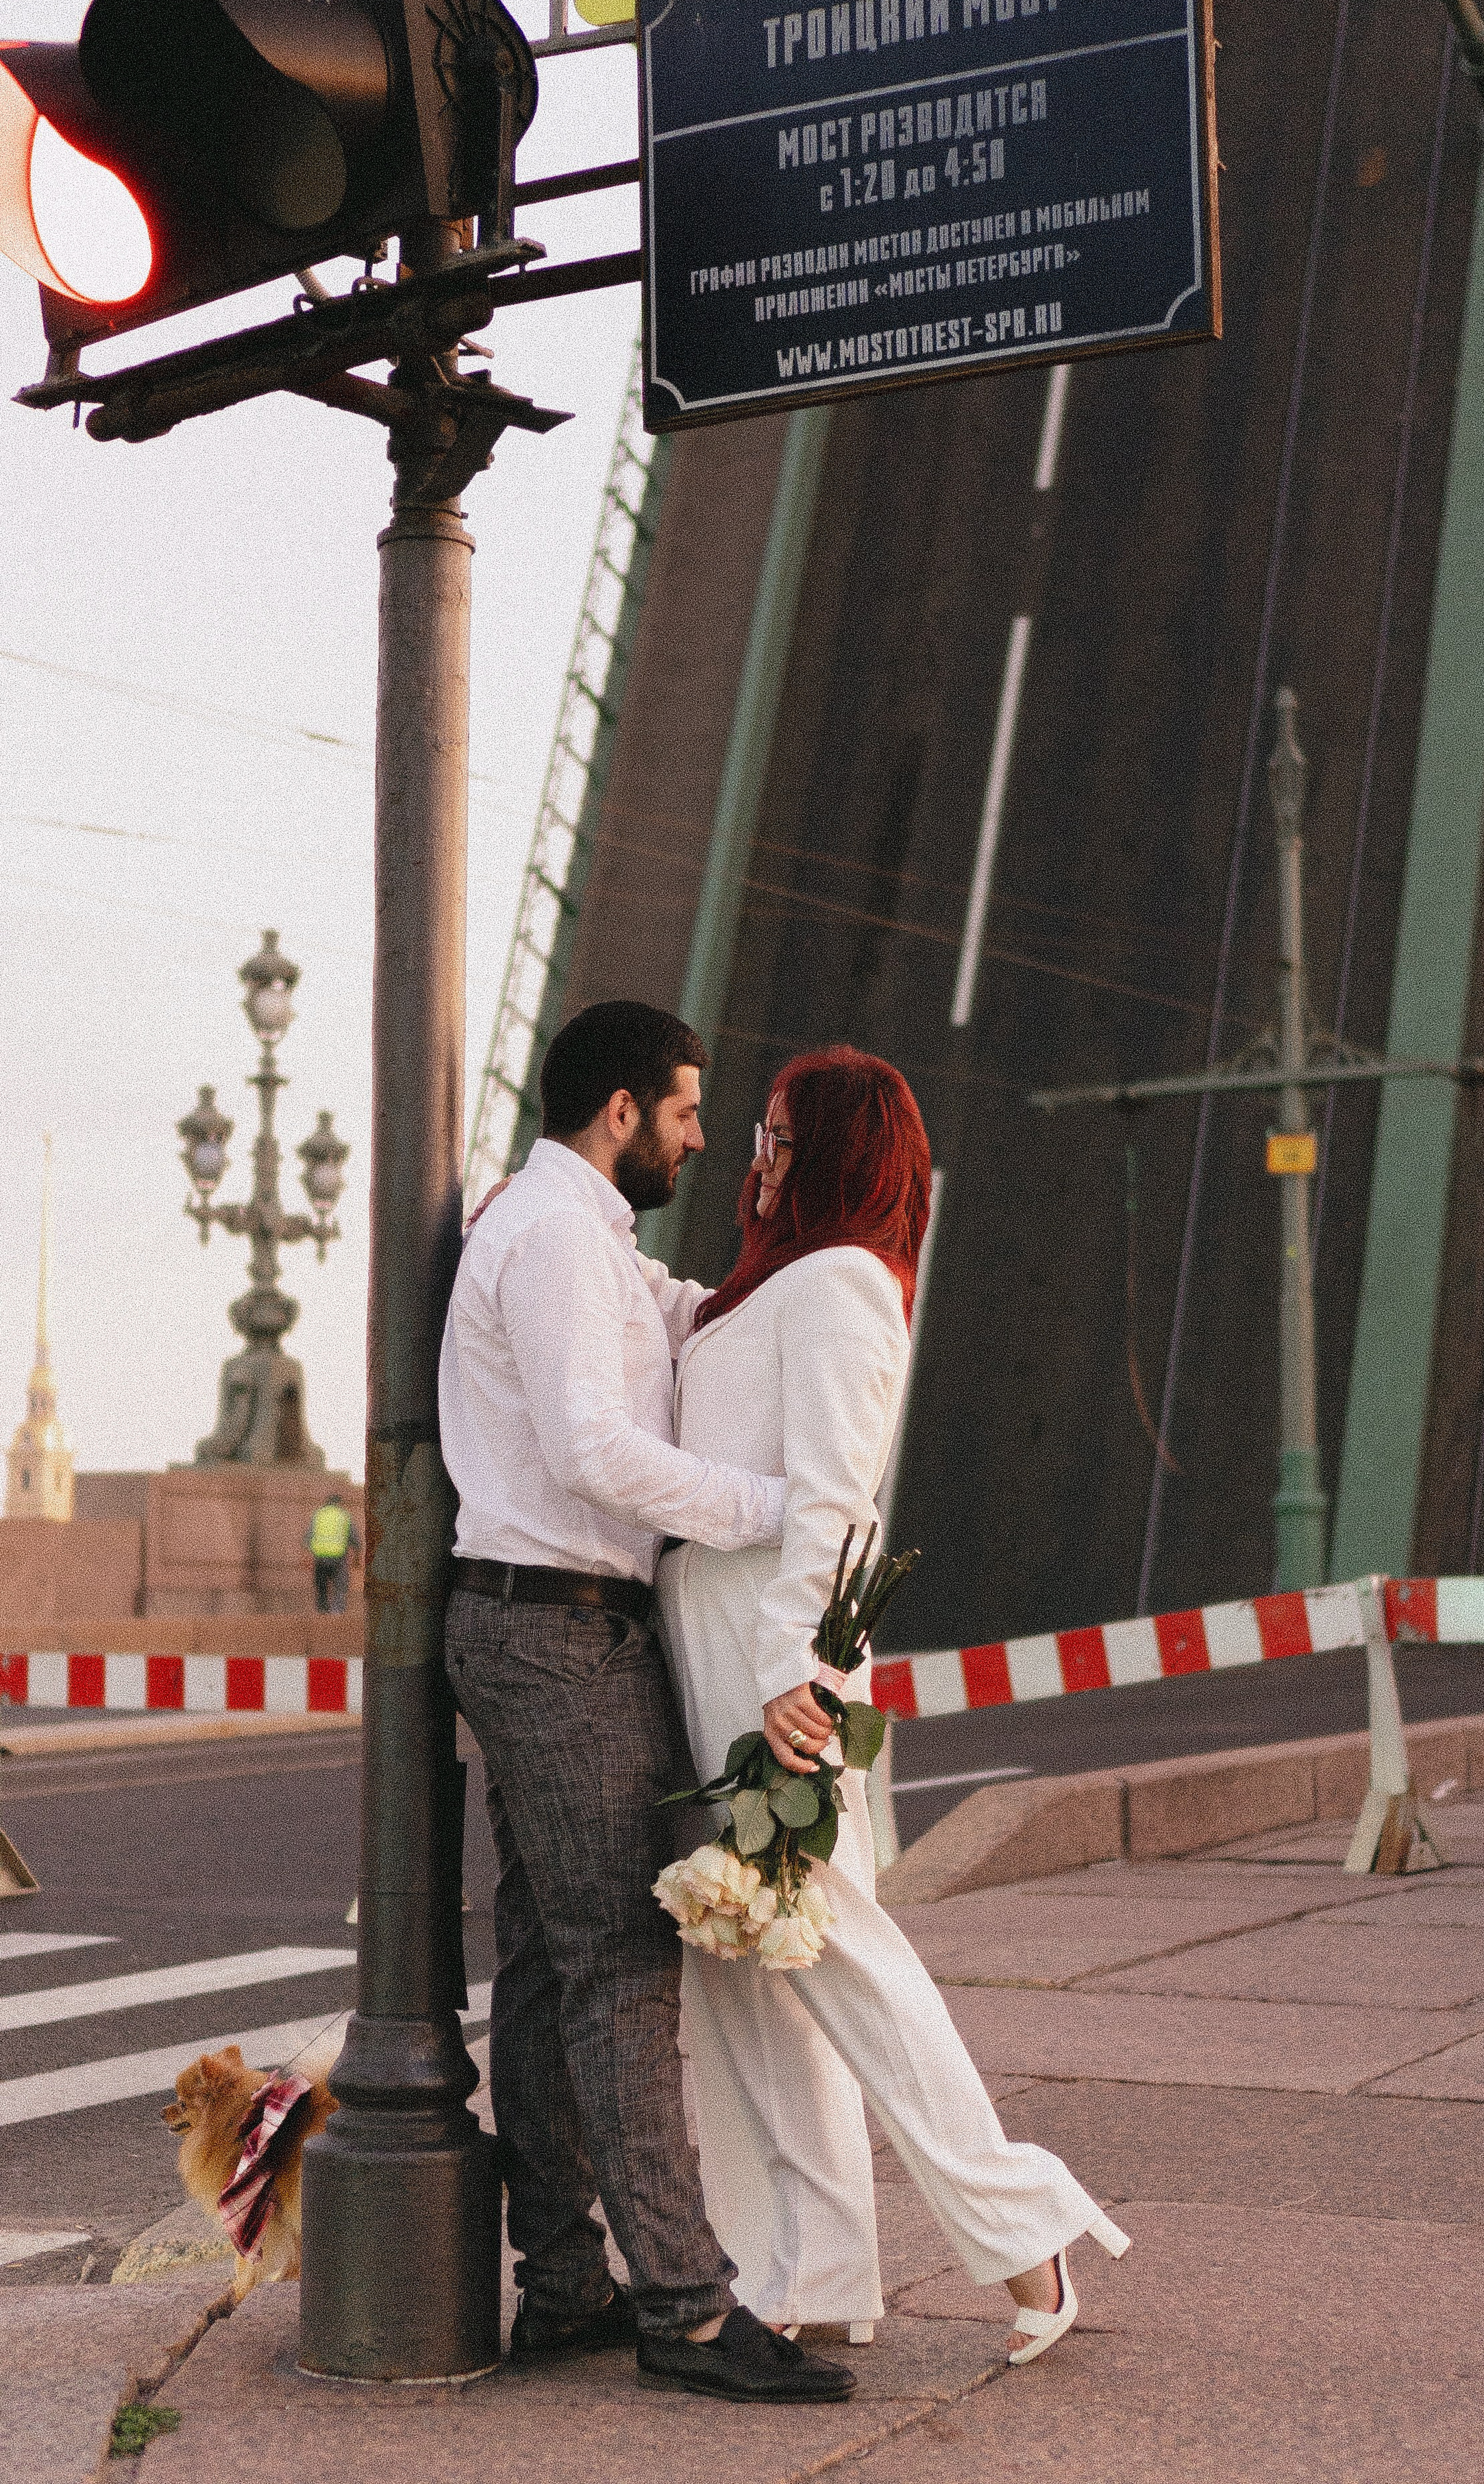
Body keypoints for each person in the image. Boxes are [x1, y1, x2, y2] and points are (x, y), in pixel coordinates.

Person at [656, 1045, 1129, 2368]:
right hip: (718, 1645)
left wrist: (796, 1667)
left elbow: (837, 1497)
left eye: (783, 1136)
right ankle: (806, 2266)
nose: (757, 1155)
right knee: (751, 1963)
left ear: (843, 1154)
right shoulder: (763, 1289)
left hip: (774, 1656)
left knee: (835, 1944)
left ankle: (1018, 2220)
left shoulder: (846, 1285)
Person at [438, 1000, 854, 2406]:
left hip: (548, 1624)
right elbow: (588, 1446)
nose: (693, 1135)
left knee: (560, 1967)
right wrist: (775, 1508)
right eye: (684, 1112)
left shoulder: (590, 1242)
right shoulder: (552, 1235)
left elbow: (683, 1327)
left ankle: (563, 2287)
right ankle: (684, 2308)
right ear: (619, 1111)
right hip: (550, 1629)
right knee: (623, 1959)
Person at [306, 1499, 358, 1615]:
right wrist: (357, 1556)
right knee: (340, 1587)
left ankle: (322, 1612)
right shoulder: (343, 1515)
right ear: (339, 1503)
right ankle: (337, 1614)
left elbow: (308, 1537)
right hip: (339, 1557)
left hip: (320, 1557)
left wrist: (307, 1556)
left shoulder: (318, 1515)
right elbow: (354, 1538)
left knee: (321, 1587)